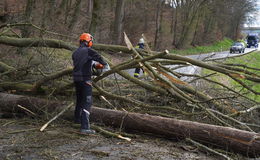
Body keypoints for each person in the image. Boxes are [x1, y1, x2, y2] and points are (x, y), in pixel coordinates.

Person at [72, 33, 107, 134]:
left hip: (76, 80)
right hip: (85, 79)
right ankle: (85, 127)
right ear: (89, 41)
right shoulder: (89, 51)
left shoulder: (75, 52)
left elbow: (86, 62)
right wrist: (105, 65)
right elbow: (98, 57)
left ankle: (77, 120)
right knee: (87, 102)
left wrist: (96, 66)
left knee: (79, 101)